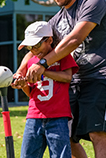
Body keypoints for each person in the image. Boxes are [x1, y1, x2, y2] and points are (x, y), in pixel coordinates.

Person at [14, 0, 106, 158]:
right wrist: (20, 72)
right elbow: (35, 50)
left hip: (104, 75)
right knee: (67, 135)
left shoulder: (93, 2)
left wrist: (43, 64)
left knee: (96, 132)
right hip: (75, 80)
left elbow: (75, 39)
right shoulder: (56, 21)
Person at [11, 21, 78, 158]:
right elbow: (30, 93)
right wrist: (23, 84)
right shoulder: (30, 61)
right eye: (29, 47)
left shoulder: (62, 56)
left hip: (58, 117)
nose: (34, 50)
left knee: (60, 155)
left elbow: (67, 77)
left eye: (36, 45)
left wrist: (43, 71)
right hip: (33, 117)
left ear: (49, 40)